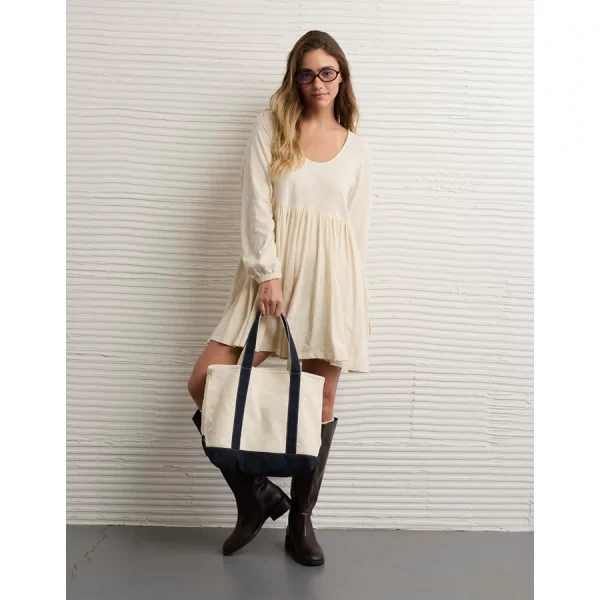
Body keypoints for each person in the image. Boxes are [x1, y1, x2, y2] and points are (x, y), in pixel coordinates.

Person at [187, 30, 372, 567]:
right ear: (296, 78)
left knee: (320, 405)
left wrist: (350, 306)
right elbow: (255, 203)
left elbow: (354, 234)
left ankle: (300, 523)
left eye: (327, 72)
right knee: (203, 383)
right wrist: (267, 274)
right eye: (307, 73)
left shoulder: (356, 148)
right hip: (271, 284)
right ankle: (257, 496)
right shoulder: (272, 127)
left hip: (330, 285)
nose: (318, 83)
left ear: (342, 77)